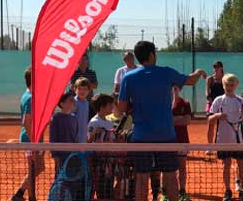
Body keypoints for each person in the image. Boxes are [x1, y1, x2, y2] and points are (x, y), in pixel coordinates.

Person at [118, 41, 207, 201]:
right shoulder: (166, 73)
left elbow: (122, 107)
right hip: (165, 135)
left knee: (142, 177)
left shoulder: (128, 77)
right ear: (152, 55)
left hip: (140, 136)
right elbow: (191, 80)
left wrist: (136, 107)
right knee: (170, 175)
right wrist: (199, 71)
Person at [207, 74, 243, 201]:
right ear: (223, 85)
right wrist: (218, 115)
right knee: (226, 165)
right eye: (227, 85)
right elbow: (209, 119)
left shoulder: (241, 101)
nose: (229, 87)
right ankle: (227, 191)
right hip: (223, 140)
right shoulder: (218, 100)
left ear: (236, 86)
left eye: (231, 85)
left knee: (242, 164)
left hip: (238, 140)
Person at [11, 67, 46, 201]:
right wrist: (34, 142)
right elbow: (26, 122)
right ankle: (26, 196)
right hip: (31, 139)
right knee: (34, 169)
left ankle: (20, 194)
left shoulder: (28, 95)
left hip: (34, 138)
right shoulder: (31, 98)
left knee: (38, 168)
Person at [88, 94, 117, 199]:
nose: (112, 107)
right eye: (110, 105)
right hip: (98, 161)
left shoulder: (109, 122)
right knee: (98, 187)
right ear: (102, 107)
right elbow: (88, 140)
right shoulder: (94, 122)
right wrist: (94, 133)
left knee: (108, 187)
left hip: (109, 161)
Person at [172, 85, 193, 201]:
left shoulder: (185, 103)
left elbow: (187, 120)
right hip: (168, 141)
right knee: (166, 168)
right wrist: (179, 118)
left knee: (182, 167)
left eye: (176, 87)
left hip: (182, 140)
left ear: (179, 89)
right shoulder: (163, 103)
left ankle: (182, 190)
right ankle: (165, 190)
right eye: (172, 86)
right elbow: (163, 121)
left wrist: (172, 120)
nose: (174, 89)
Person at [49, 93, 79, 171]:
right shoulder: (56, 118)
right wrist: (55, 155)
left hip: (72, 154)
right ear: (62, 104)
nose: (73, 102)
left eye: (73, 100)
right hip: (61, 154)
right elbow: (53, 137)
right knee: (60, 178)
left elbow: (75, 137)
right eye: (70, 100)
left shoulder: (74, 118)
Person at [73, 77, 92, 143]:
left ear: (89, 90)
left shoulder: (86, 102)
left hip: (83, 136)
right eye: (79, 89)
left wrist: (86, 134)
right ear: (74, 89)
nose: (82, 91)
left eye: (85, 89)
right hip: (74, 136)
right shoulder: (73, 102)